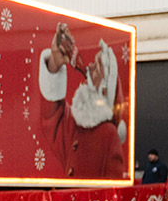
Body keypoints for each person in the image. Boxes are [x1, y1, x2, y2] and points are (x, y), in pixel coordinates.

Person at [39, 23, 127, 179]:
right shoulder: (75, 122)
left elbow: (112, 189)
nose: (91, 65)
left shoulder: (108, 134)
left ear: (104, 89)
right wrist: (54, 62)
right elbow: (50, 117)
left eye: (98, 66)